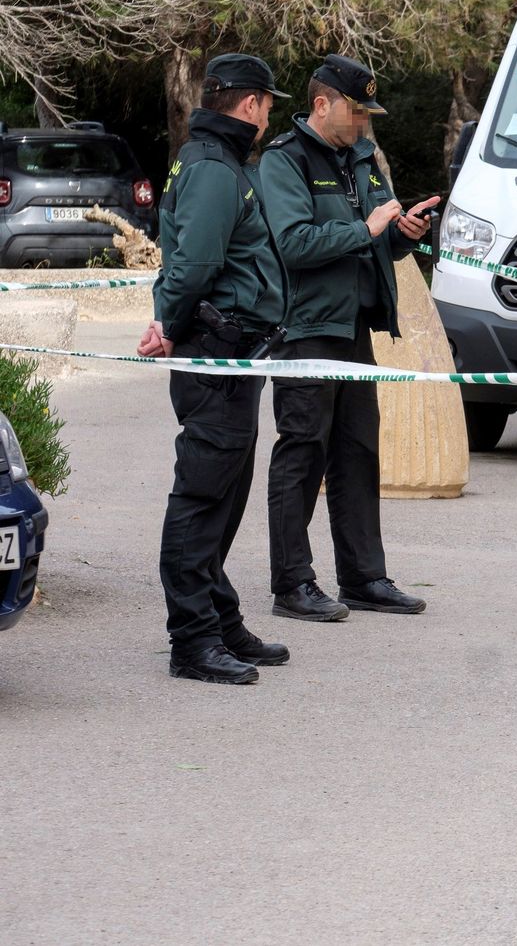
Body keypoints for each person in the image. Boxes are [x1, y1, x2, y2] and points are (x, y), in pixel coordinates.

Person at [257, 55, 440, 621]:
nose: (364, 122)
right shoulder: (282, 161)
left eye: (367, 112)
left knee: (357, 454)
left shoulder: (361, 158)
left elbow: (378, 242)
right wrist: (366, 229)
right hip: (308, 330)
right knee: (302, 454)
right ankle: (292, 584)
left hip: (355, 329)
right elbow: (294, 244)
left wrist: (403, 235)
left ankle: (364, 577)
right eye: (356, 111)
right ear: (322, 104)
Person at [139, 53, 292, 684]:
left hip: (233, 353)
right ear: (252, 104)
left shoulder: (218, 160)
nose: (267, 115)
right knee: (203, 496)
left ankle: (219, 617)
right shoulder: (211, 166)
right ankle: (192, 640)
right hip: (214, 351)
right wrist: (169, 325)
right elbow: (195, 264)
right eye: (267, 104)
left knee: (224, 495)